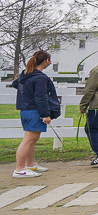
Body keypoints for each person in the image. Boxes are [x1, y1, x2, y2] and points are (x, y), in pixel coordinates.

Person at [11, 50, 58, 178]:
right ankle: (19, 169)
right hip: (34, 111)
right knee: (28, 140)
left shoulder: (26, 75)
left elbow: (15, 83)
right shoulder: (40, 78)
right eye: (50, 60)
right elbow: (41, 97)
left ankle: (30, 164)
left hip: (25, 111)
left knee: (32, 140)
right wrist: (45, 114)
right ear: (46, 61)